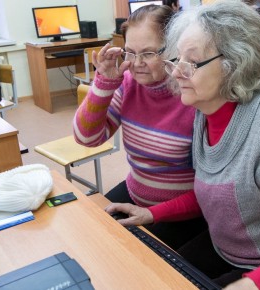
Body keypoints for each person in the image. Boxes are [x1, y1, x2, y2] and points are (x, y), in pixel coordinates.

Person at [106, 1, 260, 289]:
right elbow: (209, 194)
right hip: (236, 254)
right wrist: (151, 213)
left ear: (235, 64)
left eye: (191, 62)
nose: (175, 73)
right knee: (158, 274)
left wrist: (253, 284)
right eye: (177, 60)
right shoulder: (205, 112)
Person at [73, 5, 207, 251]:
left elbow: (213, 189)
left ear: (173, 50)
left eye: (148, 53)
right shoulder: (127, 82)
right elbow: (86, 138)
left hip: (185, 211)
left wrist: (153, 213)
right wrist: (103, 83)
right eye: (130, 52)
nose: (136, 64)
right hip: (136, 193)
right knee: (90, 236)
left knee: (137, 259)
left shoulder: (193, 93)